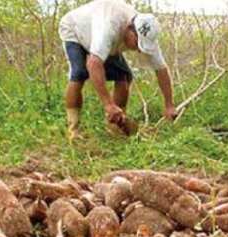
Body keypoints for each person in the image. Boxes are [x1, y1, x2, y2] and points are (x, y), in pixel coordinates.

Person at [59, 0, 176, 140]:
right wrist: (108, 104)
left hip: (102, 40)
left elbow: (161, 69)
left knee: (124, 76)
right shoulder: (109, 27)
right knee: (79, 73)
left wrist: (169, 105)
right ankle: (73, 130)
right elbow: (94, 64)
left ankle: (115, 127)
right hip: (75, 29)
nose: (139, 49)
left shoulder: (147, 32)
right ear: (129, 29)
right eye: (138, 44)